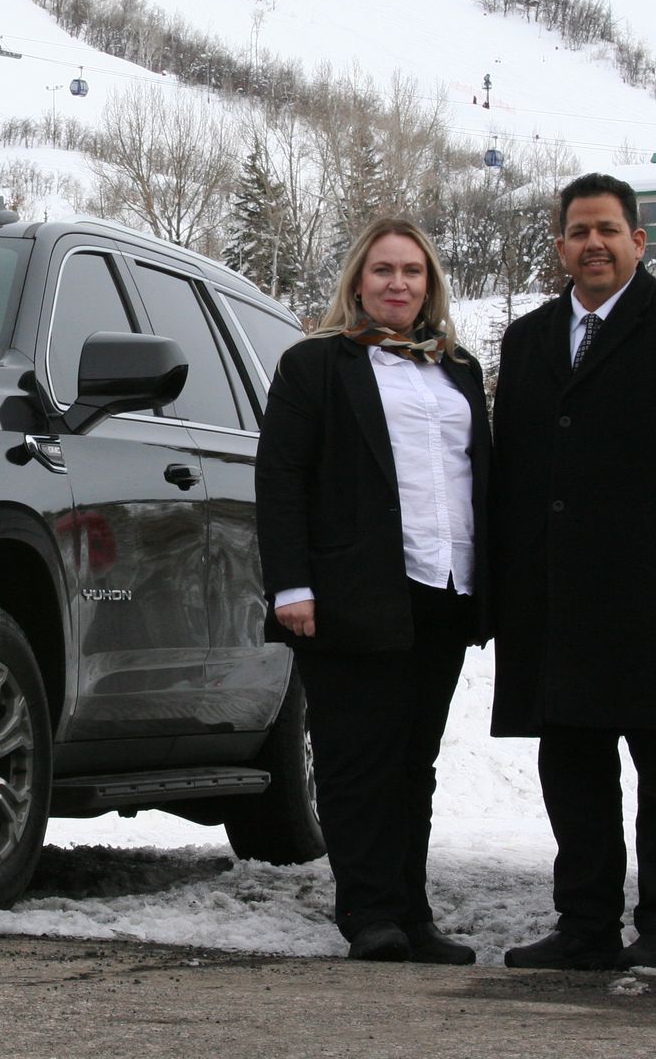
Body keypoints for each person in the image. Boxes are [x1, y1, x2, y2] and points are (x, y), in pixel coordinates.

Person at [492, 172, 656, 975]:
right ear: (561, 245)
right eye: (578, 231)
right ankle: (585, 927)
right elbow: (515, 472)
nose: (594, 244)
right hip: (557, 595)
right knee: (572, 764)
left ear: (638, 241)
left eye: (608, 229)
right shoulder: (531, 338)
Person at [258, 217, 491, 964]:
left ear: (431, 286)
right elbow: (281, 480)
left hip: (443, 585)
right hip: (349, 591)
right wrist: (291, 584)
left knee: (413, 762)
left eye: (413, 273)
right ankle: (370, 913)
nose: (399, 284)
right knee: (359, 757)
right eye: (384, 271)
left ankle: (412, 913)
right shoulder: (314, 365)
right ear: (358, 281)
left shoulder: (459, 370)